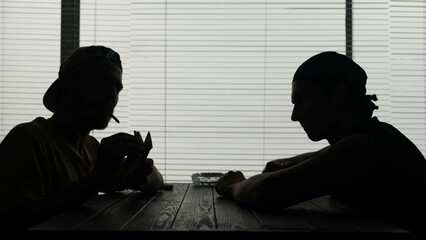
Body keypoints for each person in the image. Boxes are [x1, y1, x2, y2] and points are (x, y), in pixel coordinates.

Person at [215, 51, 426, 238]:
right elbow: (277, 165)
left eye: (303, 99)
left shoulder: (365, 147)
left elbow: (264, 191)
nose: (294, 116)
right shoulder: (365, 139)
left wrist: (233, 186)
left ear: (339, 95)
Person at [0, 45, 164, 233]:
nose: (112, 95)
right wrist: (97, 177)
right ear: (68, 86)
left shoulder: (92, 148)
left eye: (117, 89)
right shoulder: (28, 140)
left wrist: (137, 173)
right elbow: (11, 220)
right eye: (101, 83)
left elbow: (156, 179)